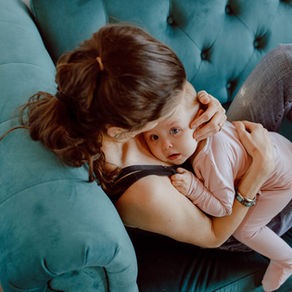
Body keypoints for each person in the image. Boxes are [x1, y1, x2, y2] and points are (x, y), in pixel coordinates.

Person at [5, 23, 290, 289]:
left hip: (217, 157)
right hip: (233, 215)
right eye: (165, 112)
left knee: (284, 61)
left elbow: (182, 94)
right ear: (124, 131)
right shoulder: (145, 192)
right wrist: (257, 173)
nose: (177, 99)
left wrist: (208, 109)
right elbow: (214, 235)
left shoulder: (108, 92)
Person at [143, 81, 292, 291]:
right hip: (280, 147)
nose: (165, 144)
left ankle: (285, 259)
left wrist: (194, 188)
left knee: (244, 229)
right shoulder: (205, 141)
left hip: (282, 182)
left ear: (200, 119)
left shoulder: (210, 160)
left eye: (175, 130)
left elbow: (224, 208)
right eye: (154, 137)